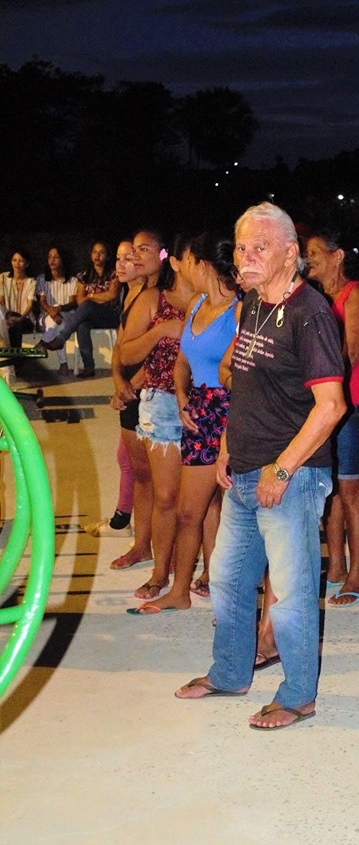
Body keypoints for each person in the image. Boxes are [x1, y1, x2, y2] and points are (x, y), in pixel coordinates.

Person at [175, 202, 345, 731]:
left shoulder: (309, 312)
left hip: (288, 479)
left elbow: (331, 405)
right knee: (227, 581)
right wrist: (228, 446)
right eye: (242, 247)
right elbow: (245, 386)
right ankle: (229, 672)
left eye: (260, 247)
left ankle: (298, 695)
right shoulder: (251, 304)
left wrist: (283, 468)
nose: (246, 257)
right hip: (243, 470)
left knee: (291, 595)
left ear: (291, 254)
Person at [129, 232, 238, 615]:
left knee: (229, 512)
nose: (180, 267)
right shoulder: (197, 304)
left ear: (201, 265)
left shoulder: (238, 309)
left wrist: (228, 421)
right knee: (194, 511)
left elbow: (242, 372)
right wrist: (180, 393)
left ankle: (226, 596)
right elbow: (182, 359)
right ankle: (181, 590)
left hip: (227, 410)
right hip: (196, 410)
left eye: (186, 261)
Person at [118, 230, 195, 599]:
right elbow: (126, 353)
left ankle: (201, 574)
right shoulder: (153, 299)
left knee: (200, 502)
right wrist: (162, 330)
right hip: (161, 405)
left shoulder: (210, 301)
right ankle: (160, 572)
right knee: (165, 496)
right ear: (178, 261)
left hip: (205, 406)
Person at [306, 228, 359, 605]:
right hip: (326, 406)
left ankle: (357, 575)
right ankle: (334, 567)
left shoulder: (357, 294)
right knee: (329, 490)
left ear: (338, 256)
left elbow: (352, 350)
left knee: (350, 491)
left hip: (351, 405)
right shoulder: (317, 299)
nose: (309, 258)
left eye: (316, 252)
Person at [85, 240, 149, 542]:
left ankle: (132, 526)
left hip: (142, 392)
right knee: (126, 458)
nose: (121, 264)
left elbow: (161, 354)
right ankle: (123, 519)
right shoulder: (129, 293)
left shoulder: (151, 297)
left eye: (131, 257)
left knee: (140, 467)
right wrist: (117, 380)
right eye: (120, 258)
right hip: (130, 388)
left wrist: (128, 388)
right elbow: (120, 349)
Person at [41, 240, 120, 377]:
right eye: (95, 252)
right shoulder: (84, 276)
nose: (97, 255)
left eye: (101, 253)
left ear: (107, 256)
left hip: (110, 315)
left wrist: (90, 296)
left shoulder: (114, 274)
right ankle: (89, 367)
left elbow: (112, 295)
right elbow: (79, 300)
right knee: (82, 325)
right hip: (91, 316)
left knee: (88, 305)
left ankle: (61, 338)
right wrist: (97, 297)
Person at [36, 246, 78, 376]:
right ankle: (63, 364)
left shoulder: (72, 280)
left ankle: (42, 344)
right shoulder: (42, 279)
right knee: (55, 324)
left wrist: (59, 308)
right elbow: (42, 301)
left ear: (63, 259)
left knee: (58, 324)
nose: (52, 260)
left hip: (66, 315)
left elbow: (72, 303)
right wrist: (52, 311)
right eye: (49, 257)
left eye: (56, 257)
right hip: (47, 316)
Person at [0, 247, 37, 347]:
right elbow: (1, 301)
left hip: (25, 319)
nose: (17, 264)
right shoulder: (3, 277)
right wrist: (7, 317)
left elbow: (29, 306)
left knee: (17, 326)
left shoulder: (31, 282)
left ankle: (16, 358)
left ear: (27, 264)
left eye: (21, 261)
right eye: (14, 260)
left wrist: (19, 319)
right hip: (7, 316)